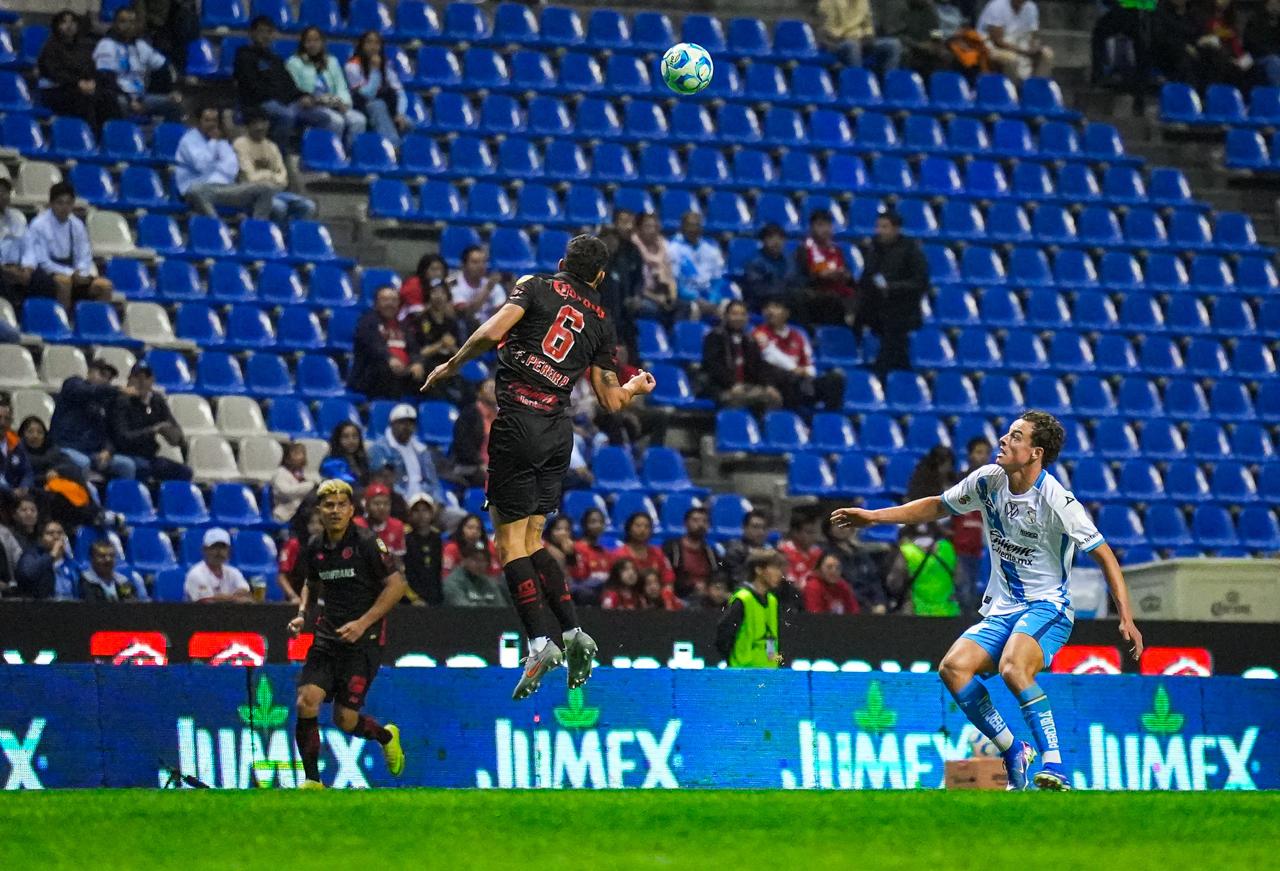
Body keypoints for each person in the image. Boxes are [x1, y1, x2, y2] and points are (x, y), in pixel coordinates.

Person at [830, 410, 1145, 791]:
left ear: (1035, 453)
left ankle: (1055, 763)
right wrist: (874, 517)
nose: (1003, 440)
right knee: (953, 668)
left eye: (1015, 436)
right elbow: (936, 506)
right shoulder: (988, 481)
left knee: (1014, 668)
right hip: (1003, 607)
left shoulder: (1057, 500)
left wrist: (1125, 617)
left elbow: (1105, 555)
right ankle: (1014, 750)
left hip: (1047, 607)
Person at [421, 234, 656, 700]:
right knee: (533, 540)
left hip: (518, 422)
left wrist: (451, 364)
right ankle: (572, 634)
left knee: (508, 544)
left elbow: (491, 332)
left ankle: (539, 643)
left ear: (562, 263)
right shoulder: (602, 324)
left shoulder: (535, 285)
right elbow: (611, 401)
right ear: (600, 277)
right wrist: (636, 389)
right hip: (557, 432)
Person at [287, 478, 407, 788]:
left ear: (352, 509)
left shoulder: (366, 542)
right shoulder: (314, 546)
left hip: (363, 641)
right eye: (329, 505)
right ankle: (313, 782)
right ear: (319, 510)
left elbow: (397, 586)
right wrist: (302, 614)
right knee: (306, 700)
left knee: (345, 720)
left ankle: (385, 736)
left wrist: (363, 623)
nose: (335, 510)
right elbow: (311, 584)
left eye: (342, 505)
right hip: (327, 636)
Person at [235, 16, 329, 148]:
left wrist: (303, 96)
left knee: (322, 117)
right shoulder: (244, 56)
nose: (265, 36)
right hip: (258, 103)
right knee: (287, 115)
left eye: (269, 32)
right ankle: (280, 155)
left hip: (283, 101)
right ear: (252, 34)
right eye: (261, 32)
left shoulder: (275, 59)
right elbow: (252, 87)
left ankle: (308, 154)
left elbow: (289, 85)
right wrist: (281, 98)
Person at [22, 182, 114, 314]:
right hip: (45, 274)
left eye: (68, 203)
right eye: (60, 203)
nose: (64, 207)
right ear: (51, 204)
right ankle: (64, 325)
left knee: (105, 286)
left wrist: (81, 273)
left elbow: (84, 254)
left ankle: (97, 326)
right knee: (64, 282)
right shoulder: (39, 225)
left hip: (73, 274)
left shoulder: (77, 225)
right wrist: (70, 274)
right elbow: (43, 261)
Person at [858, 211, 929, 378]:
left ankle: (881, 375)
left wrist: (892, 288)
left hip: (902, 312)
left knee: (894, 346)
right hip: (877, 309)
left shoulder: (911, 250)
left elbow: (920, 282)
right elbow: (867, 277)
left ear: (896, 229)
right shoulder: (874, 249)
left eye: (885, 227)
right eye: (878, 227)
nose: (880, 231)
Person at [175, 106, 275, 220]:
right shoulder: (188, 141)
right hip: (200, 189)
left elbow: (231, 169)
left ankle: (256, 231)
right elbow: (202, 165)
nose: (212, 124)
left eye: (215, 120)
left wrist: (216, 158)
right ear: (198, 122)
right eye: (207, 120)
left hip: (226, 189)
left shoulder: (221, 141)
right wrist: (214, 145)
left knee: (265, 189)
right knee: (196, 191)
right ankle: (219, 228)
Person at [92, 5, 183, 122]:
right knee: (119, 103)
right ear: (115, 24)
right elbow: (107, 80)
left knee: (174, 104)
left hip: (141, 97)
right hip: (117, 96)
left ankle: (164, 139)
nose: (128, 26)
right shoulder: (106, 45)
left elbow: (166, 67)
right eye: (123, 22)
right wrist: (131, 100)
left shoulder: (141, 46)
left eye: (132, 22)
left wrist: (172, 91)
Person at [49, 358, 136, 481]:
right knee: (83, 463)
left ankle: (122, 499)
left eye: (109, 379)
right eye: (102, 375)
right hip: (65, 447)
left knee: (127, 465)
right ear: (90, 372)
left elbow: (107, 432)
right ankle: (86, 499)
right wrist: (117, 389)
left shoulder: (103, 403)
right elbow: (87, 391)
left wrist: (107, 450)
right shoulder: (73, 384)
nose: (105, 381)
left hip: (92, 452)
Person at [752, 297, 844, 411]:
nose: (770, 311)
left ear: (786, 313)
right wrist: (795, 368)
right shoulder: (759, 333)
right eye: (767, 308)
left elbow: (809, 364)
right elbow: (769, 354)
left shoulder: (798, 336)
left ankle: (829, 419)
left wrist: (807, 372)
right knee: (790, 378)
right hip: (779, 383)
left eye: (775, 307)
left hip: (801, 382)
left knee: (836, 377)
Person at [38, 10, 120, 132]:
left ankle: (112, 138)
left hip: (85, 87)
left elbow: (93, 68)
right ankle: (90, 137)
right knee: (85, 101)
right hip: (59, 89)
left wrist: (93, 82)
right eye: (64, 22)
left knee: (108, 98)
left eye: (72, 22)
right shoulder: (50, 48)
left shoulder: (85, 46)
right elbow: (54, 73)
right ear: (56, 26)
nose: (69, 25)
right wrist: (77, 83)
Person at [110, 362, 192, 483]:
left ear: (152, 380)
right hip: (125, 454)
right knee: (141, 468)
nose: (142, 382)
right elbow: (122, 439)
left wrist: (174, 435)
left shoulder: (156, 401)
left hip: (149, 457)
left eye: (146, 378)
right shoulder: (121, 401)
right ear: (129, 380)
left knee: (184, 472)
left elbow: (176, 434)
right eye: (137, 377)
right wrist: (152, 430)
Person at [286, 27, 367, 149]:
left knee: (359, 120)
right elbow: (293, 88)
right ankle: (331, 156)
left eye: (316, 40)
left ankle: (351, 156)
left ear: (322, 42)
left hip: (332, 103)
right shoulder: (294, 62)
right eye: (308, 41)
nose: (312, 44)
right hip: (308, 105)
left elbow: (341, 86)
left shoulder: (332, 61)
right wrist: (308, 99)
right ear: (303, 43)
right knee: (336, 121)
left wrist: (344, 103)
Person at [233, 110, 318, 225]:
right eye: (255, 123)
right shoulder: (240, 144)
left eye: (263, 123)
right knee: (279, 207)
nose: (260, 127)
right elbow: (250, 178)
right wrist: (270, 175)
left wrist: (266, 177)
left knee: (308, 206)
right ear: (248, 126)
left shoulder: (272, 146)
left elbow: (283, 179)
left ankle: (291, 238)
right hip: (250, 193)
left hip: (275, 192)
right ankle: (274, 239)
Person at [702, 300, 784, 412]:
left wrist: (768, 384)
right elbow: (713, 365)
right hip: (720, 388)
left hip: (745, 386)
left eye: (742, 314)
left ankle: (765, 428)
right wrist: (731, 384)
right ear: (726, 316)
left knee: (774, 397)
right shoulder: (715, 337)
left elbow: (758, 365)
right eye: (734, 314)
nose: (739, 318)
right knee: (739, 399)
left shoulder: (749, 339)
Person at [716, 549, 786, 667]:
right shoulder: (743, 599)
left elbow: (772, 638)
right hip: (743, 673)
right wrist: (734, 663)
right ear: (758, 570)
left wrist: (778, 664)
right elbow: (724, 636)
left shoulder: (772, 601)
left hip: (768, 675)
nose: (779, 574)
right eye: (774, 568)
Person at [350, 287, 423, 399]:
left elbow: (413, 348)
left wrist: (416, 362)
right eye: (385, 300)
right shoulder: (367, 322)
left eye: (394, 300)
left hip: (403, 374)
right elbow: (373, 345)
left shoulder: (404, 326)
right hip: (373, 375)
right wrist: (389, 358)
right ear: (376, 303)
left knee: (437, 370)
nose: (390, 304)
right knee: (385, 368)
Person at [367, 403, 444, 504]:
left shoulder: (421, 450)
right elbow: (383, 482)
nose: (406, 427)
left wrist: (438, 503)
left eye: (410, 423)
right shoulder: (380, 449)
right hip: (398, 502)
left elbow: (433, 482)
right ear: (392, 424)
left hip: (425, 502)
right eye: (402, 423)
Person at [344, 31, 409, 148]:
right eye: (369, 42)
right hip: (360, 106)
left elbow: (400, 93)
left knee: (408, 123)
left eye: (377, 43)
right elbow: (368, 94)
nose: (373, 47)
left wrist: (400, 113)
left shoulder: (386, 66)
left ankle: (408, 154)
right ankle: (395, 149)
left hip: (383, 106)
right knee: (377, 105)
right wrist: (375, 70)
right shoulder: (352, 66)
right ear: (362, 45)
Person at [794, 209, 856, 326]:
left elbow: (846, 272)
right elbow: (804, 275)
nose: (825, 230)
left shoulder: (837, 250)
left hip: (838, 290)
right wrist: (820, 275)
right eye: (820, 225)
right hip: (816, 293)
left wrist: (845, 275)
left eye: (828, 225)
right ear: (812, 228)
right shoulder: (804, 250)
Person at [667, 211, 728, 319]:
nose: (694, 229)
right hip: (686, 297)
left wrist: (713, 299)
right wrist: (696, 299)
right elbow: (675, 281)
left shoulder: (711, 250)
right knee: (693, 308)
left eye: (697, 225)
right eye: (690, 225)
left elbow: (718, 279)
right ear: (682, 227)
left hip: (709, 296)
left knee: (729, 308)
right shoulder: (673, 249)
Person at [822, 516, 889, 613]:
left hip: (872, 606)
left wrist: (880, 602)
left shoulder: (860, 552)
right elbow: (840, 585)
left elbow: (873, 580)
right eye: (836, 525)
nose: (841, 528)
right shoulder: (825, 553)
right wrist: (868, 607)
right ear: (829, 528)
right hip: (846, 607)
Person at [818, 0, 903, 74]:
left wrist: (868, 36)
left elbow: (868, 24)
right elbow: (828, 31)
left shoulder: (862, 1)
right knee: (852, 46)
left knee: (893, 44)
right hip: (838, 43)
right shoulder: (828, 2)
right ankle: (858, 84)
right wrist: (851, 38)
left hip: (860, 40)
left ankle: (888, 84)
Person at [976, 0, 1053, 81]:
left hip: (1019, 45)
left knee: (1046, 54)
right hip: (992, 47)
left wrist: (1035, 47)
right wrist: (1025, 52)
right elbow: (997, 41)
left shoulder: (1031, 7)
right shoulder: (997, 6)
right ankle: (1015, 90)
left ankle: (1036, 88)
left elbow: (1032, 36)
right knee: (1011, 59)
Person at [662, 506, 722, 602]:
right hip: (681, 596)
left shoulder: (711, 552)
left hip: (707, 598)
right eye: (695, 520)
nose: (701, 524)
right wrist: (692, 587)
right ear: (686, 523)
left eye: (705, 521)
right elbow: (667, 575)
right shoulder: (672, 548)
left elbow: (719, 569)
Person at [449, 379, 497, 487]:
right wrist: (480, 463)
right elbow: (463, 445)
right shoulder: (469, 415)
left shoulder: (501, 416)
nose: (494, 391)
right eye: (489, 388)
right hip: (471, 466)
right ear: (479, 392)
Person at [412, 283, 464, 381]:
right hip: (429, 364)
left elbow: (460, 353)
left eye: (442, 293)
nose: (438, 296)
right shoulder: (420, 319)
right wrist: (441, 344)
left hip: (448, 364)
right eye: (434, 292)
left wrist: (451, 346)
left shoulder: (452, 322)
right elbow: (420, 352)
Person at [14, 520, 78, 599]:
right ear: (41, 539)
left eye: (60, 533)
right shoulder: (32, 555)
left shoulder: (72, 562)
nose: (56, 537)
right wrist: (52, 555)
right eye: (50, 533)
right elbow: (27, 574)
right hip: (43, 607)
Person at [184, 528, 251, 603]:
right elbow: (207, 601)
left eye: (223, 547)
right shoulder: (196, 574)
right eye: (214, 547)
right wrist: (234, 598)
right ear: (204, 550)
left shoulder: (233, 572)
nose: (219, 552)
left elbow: (245, 591)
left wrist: (226, 597)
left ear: (229, 551)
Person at [630, 212, 678, 316]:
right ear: (638, 228)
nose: (652, 230)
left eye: (655, 226)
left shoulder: (664, 245)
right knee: (654, 309)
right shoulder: (633, 249)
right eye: (648, 226)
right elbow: (636, 286)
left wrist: (672, 297)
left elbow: (670, 277)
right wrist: (657, 298)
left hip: (662, 294)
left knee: (683, 307)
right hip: (642, 295)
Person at [612, 512, 676, 587]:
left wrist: (666, 594)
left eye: (647, 526)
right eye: (638, 526)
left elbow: (668, 579)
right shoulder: (619, 555)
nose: (642, 529)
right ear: (629, 529)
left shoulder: (658, 553)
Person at [442, 539, 510, 607]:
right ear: (464, 560)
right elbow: (463, 609)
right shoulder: (453, 582)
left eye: (484, 560)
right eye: (475, 559)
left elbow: (502, 607)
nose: (480, 564)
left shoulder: (490, 583)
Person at [354, 482, 407, 568]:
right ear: (366, 506)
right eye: (376, 504)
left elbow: (398, 560)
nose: (382, 508)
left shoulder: (397, 526)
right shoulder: (356, 525)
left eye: (386, 503)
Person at [449, 246, 507, 324]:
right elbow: (466, 314)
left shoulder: (494, 286)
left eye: (483, 262)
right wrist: (487, 290)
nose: (481, 266)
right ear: (463, 265)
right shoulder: (454, 285)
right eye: (475, 262)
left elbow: (502, 314)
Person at [742, 224, 792, 312]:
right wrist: (785, 291)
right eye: (771, 238)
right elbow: (758, 290)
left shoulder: (789, 260)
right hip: (761, 303)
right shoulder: (754, 262)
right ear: (763, 241)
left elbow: (796, 281)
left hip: (786, 300)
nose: (776, 242)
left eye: (780, 238)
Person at [404, 492, 443, 605]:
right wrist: (414, 598)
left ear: (432, 513)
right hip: (411, 600)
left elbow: (437, 569)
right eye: (416, 510)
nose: (421, 515)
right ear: (410, 514)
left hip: (434, 597)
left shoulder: (436, 538)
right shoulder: (405, 538)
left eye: (425, 510)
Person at [80, 538, 148, 602]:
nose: (108, 560)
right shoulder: (86, 581)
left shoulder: (122, 582)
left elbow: (130, 600)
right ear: (92, 559)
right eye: (102, 556)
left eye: (111, 556)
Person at [277, 508, 322, 604]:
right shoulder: (294, 544)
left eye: (320, 523)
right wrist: (294, 597)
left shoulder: (331, 547)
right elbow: (281, 577)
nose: (316, 527)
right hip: (296, 601)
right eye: (312, 523)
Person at [568, 507, 612, 603]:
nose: (597, 525)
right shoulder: (577, 548)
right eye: (593, 522)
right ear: (584, 524)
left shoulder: (605, 552)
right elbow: (578, 578)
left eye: (601, 522)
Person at [271, 441, 319, 524]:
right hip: (286, 512)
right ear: (287, 457)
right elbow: (286, 491)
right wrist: (309, 486)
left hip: (304, 513)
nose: (301, 456)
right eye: (296, 453)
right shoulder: (280, 473)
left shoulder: (307, 473)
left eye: (302, 453)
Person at [778, 512, 823, 597]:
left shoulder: (818, 553)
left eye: (814, 532)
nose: (813, 536)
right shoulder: (783, 552)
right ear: (795, 532)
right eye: (809, 532)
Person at [722, 509, 771, 586]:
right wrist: (751, 559)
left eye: (764, 528)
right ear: (744, 528)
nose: (761, 532)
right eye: (756, 527)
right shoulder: (734, 550)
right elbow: (737, 582)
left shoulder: (770, 551)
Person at [0, 177, 28, 306]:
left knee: (43, 280)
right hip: (3, 268)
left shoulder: (18, 217)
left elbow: (28, 246)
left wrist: (27, 268)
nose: (2, 195)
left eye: (5, 192)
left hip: (18, 266)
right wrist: (5, 269)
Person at [400, 254, 450, 319]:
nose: (439, 273)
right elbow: (417, 315)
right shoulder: (413, 284)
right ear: (424, 271)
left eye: (441, 269)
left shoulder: (444, 285)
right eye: (433, 269)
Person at [1245, 0, 1280, 86]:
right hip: (1259, 57)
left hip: (1276, 55)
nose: (1274, 7)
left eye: (1277, 4)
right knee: (1274, 61)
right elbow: (1252, 43)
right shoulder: (1256, 20)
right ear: (1266, 5)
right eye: (1272, 4)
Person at [326, 421, 370, 486]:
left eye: (355, 436)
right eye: (346, 437)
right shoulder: (331, 462)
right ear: (337, 440)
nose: (351, 441)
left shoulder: (362, 459)